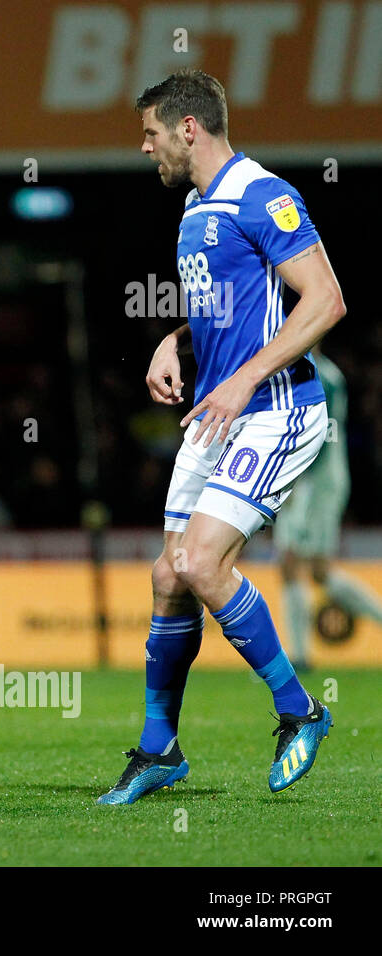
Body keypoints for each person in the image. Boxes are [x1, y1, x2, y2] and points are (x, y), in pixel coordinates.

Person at [99, 70, 346, 805]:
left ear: (188, 129)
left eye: (150, 134)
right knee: (169, 576)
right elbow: (229, 309)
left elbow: (326, 299)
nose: (145, 148)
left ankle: (301, 710)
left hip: (275, 408)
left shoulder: (261, 195)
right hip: (220, 412)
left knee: (203, 562)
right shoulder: (194, 209)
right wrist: (173, 341)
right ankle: (158, 750)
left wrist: (242, 379)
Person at [276, 350, 382, 668]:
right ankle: (299, 656)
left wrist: (302, 484)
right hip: (300, 479)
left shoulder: (326, 377)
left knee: (309, 565)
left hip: (317, 481)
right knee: (299, 566)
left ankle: (300, 656)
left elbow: (326, 436)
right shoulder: (288, 371)